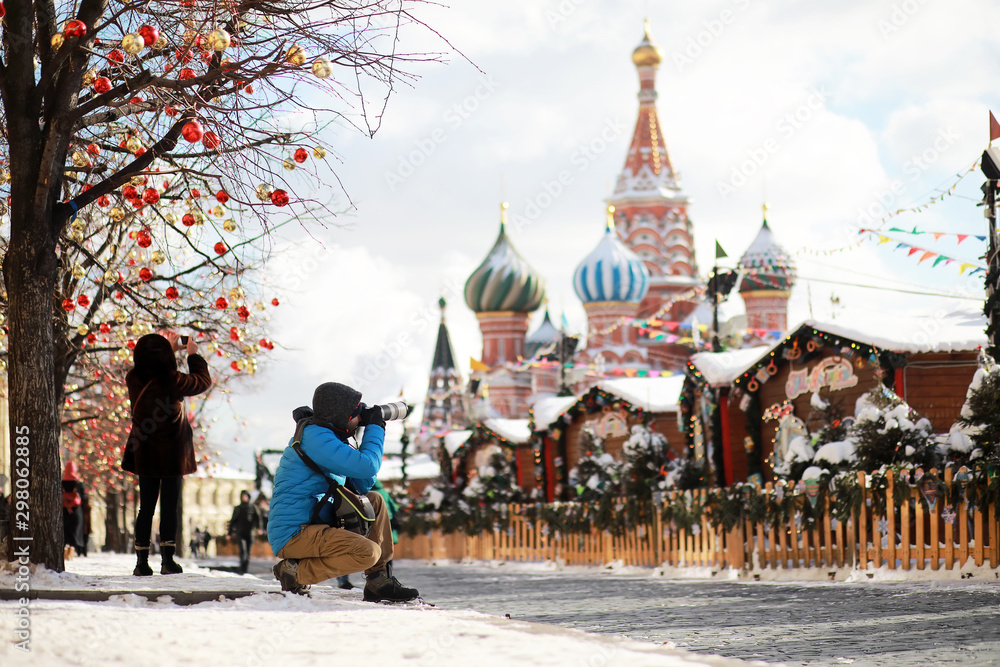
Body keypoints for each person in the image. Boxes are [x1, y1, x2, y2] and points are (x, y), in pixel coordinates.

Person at [267, 382, 419, 601]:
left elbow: (362, 484)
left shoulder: (329, 437)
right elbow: (369, 465)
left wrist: (359, 435)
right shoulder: (316, 438)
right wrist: (376, 427)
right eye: (356, 414)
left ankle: (379, 581)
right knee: (367, 552)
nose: (360, 418)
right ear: (340, 416)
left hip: (315, 524)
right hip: (294, 534)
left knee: (374, 500)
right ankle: (294, 572)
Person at [121, 333, 212, 576]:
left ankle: (141, 563)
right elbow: (202, 381)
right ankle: (167, 561)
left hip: (145, 452)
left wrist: (167, 351)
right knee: (169, 508)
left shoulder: (133, 378)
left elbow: (153, 367)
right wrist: (192, 355)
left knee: (146, 508)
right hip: (172, 454)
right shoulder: (172, 380)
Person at [229, 490, 260, 574]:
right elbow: (233, 520)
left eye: (245, 496)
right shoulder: (238, 508)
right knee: (243, 550)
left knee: (248, 552)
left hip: (249, 533)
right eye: (243, 496)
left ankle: (245, 568)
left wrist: (259, 528)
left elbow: (258, 519)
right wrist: (229, 533)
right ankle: (242, 568)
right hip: (240, 532)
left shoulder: (253, 507)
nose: (244, 498)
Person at [61, 461, 88, 559]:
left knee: (65, 530)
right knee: (74, 531)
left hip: (63, 511)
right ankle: (71, 550)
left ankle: (65, 549)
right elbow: (84, 498)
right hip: (76, 511)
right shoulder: (78, 484)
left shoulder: (61, 483)